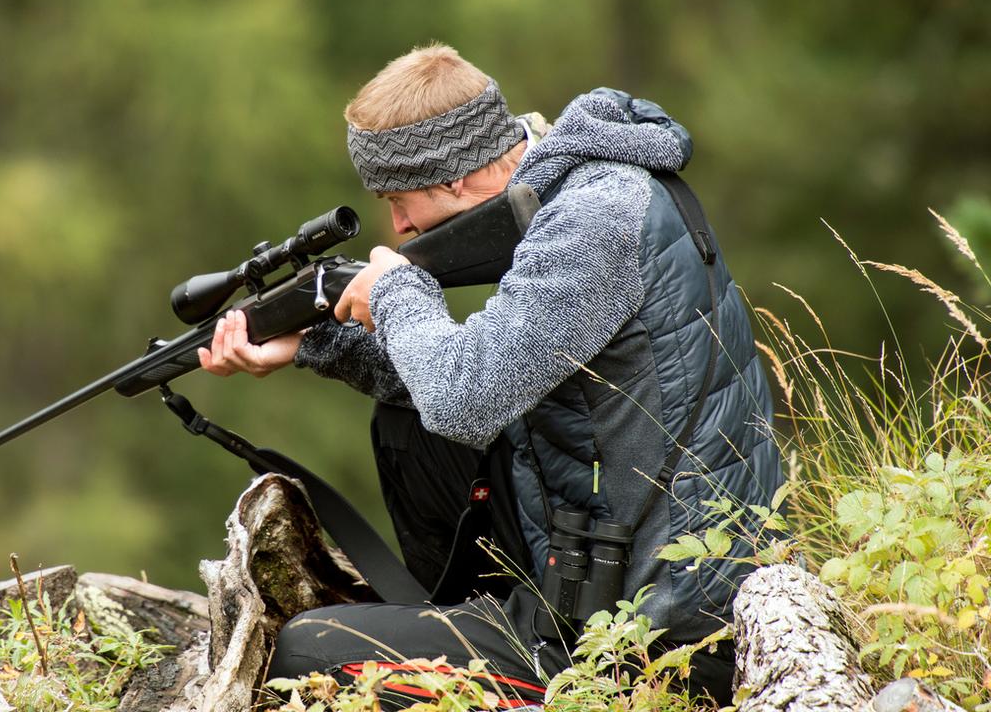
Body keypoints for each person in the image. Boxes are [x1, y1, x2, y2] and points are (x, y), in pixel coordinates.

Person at [199, 44, 780, 708]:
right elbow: (490, 371)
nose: (399, 225)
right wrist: (315, 343)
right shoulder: (596, 188)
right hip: (632, 564)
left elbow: (466, 400)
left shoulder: (592, 225)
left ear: (451, 180)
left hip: (655, 642)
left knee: (304, 651)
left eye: (398, 199)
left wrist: (395, 291)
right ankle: (472, 624)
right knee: (408, 420)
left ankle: (506, 654)